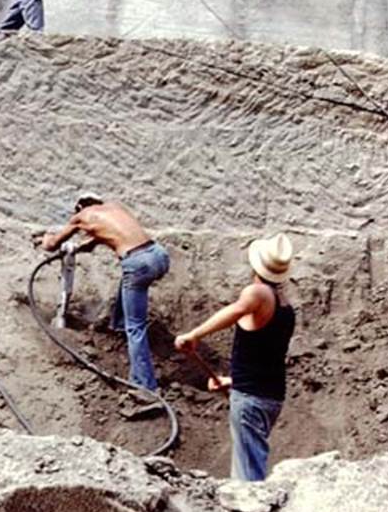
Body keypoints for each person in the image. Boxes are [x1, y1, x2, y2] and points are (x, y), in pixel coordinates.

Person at [174, 233, 295, 481]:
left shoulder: (258, 293)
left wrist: (195, 335)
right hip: (270, 396)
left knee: (248, 477)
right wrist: (233, 381)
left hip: (251, 400)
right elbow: (265, 353)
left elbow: (235, 310)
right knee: (250, 463)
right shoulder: (285, 305)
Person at [41, 194, 171, 393]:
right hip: (159, 254)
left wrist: (45, 239)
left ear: (79, 207)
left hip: (137, 263)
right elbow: (94, 242)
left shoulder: (81, 216)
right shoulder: (114, 208)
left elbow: (51, 245)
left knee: (135, 327)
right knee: (130, 282)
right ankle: (118, 323)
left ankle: (145, 386)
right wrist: (79, 248)